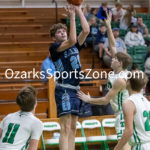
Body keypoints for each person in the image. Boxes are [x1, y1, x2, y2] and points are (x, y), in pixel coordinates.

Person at [78, 11, 132, 150]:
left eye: (114, 59)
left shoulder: (121, 79)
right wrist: (108, 26)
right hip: (121, 112)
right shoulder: (118, 70)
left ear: (119, 63)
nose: (111, 58)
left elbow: (105, 100)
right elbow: (113, 46)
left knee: (123, 143)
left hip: (123, 113)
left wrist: (88, 99)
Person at [49, 4, 91, 150]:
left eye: (63, 31)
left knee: (73, 127)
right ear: (54, 37)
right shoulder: (54, 48)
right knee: (65, 127)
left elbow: (86, 30)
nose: (62, 33)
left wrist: (79, 10)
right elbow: (72, 39)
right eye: (59, 32)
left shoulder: (74, 46)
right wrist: (72, 16)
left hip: (75, 89)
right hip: (64, 89)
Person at [114, 71, 150, 150]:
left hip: (141, 146)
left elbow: (129, 131)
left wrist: (117, 148)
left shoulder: (129, 102)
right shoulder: (147, 101)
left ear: (128, 83)